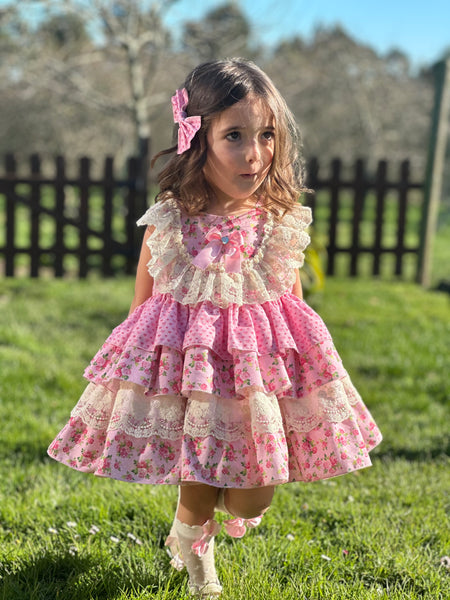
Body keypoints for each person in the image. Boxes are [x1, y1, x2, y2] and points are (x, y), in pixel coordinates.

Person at [48, 58, 382, 598]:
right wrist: (140, 377)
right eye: (234, 136)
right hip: (190, 372)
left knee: (253, 496)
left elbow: (292, 307)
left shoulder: (278, 221)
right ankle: (196, 552)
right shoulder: (170, 222)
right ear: (196, 139)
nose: (255, 154)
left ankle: (193, 526)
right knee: (199, 474)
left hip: (255, 376)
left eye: (266, 135)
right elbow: (143, 306)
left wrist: (301, 381)